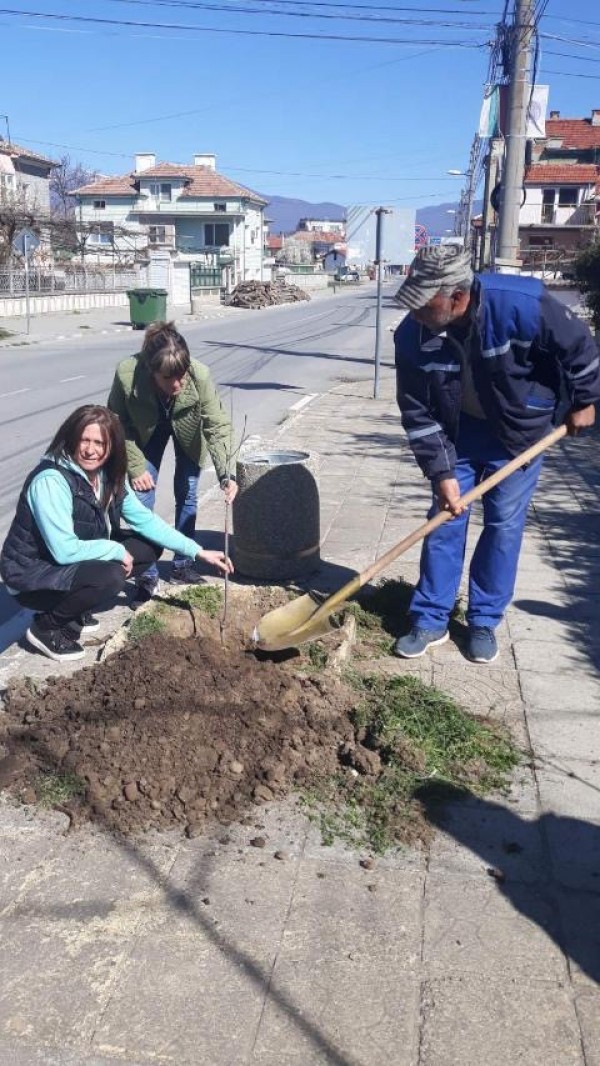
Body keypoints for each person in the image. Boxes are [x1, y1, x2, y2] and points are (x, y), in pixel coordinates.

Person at [393, 245, 600, 665]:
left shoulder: (521, 305)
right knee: (444, 521)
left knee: (504, 526)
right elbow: (417, 413)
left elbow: (580, 350)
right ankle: (431, 618)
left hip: (520, 434)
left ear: (456, 296)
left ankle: (484, 619)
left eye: (422, 303)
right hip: (458, 435)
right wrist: (441, 472)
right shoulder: (412, 335)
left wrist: (585, 400)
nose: (414, 312)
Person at [0, 405, 233, 663]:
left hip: (70, 558)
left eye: (99, 442)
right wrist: (115, 550)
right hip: (32, 573)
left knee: (148, 547)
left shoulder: (109, 475)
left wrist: (198, 551)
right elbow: (63, 549)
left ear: (112, 446)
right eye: (84, 440)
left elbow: (145, 521)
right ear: (71, 439)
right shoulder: (51, 480)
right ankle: (47, 626)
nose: (91, 450)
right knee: (110, 576)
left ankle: (76, 609)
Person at [108, 321, 238, 605]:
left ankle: (182, 566)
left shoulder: (199, 375)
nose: (177, 384)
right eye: (169, 378)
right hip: (145, 431)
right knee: (141, 499)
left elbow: (217, 426)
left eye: (181, 375)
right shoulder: (128, 374)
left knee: (187, 492)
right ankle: (147, 576)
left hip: (188, 431)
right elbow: (116, 423)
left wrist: (227, 474)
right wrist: (135, 466)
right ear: (151, 370)